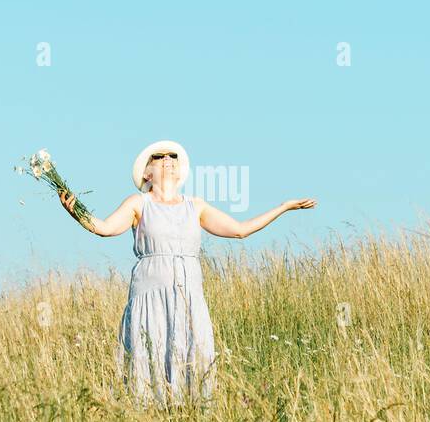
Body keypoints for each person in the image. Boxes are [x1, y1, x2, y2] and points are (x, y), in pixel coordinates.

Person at [59, 140, 316, 407]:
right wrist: (76, 211)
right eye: (159, 156)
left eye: (173, 156)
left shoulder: (196, 206)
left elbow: (240, 230)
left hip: (188, 299)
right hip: (151, 298)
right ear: (147, 173)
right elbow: (105, 228)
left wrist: (284, 207)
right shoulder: (139, 203)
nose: (168, 158)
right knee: (150, 362)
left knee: (190, 367)